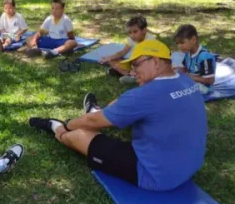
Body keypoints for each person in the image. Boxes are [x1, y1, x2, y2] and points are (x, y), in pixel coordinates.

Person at [29, 40, 207, 191]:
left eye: (136, 64)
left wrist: (68, 125)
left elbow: (93, 122)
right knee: (124, 104)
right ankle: (95, 111)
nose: (133, 71)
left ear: (155, 61)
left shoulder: (145, 95)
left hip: (156, 175)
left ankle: (56, 127)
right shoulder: (184, 80)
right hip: (189, 167)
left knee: (76, 135)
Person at [99, 16, 155, 84]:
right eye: (130, 32)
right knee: (112, 61)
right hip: (133, 63)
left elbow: (149, 59)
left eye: (135, 32)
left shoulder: (150, 40)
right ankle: (129, 75)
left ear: (144, 31)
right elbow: (123, 52)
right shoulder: (131, 39)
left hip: (147, 65)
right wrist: (110, 57)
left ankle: (135, 76)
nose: (132, 35)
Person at [174, 24, 216, 94]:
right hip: (192, 81)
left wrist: (189, 76)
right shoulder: (187, 53)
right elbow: (185, 69)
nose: (179, 46)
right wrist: (175, 70)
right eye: (177, 43)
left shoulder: (205, 57)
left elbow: (210, 80)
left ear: (193, 40)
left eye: (182, 42)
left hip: (204, 87)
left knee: (176, 88)